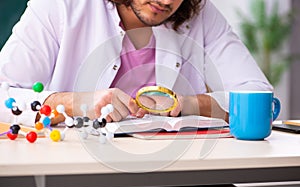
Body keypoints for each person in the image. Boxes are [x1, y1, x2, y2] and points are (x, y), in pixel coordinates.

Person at [0, 0, 272, 126]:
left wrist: (185, 104)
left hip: (174, 175)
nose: (166, 2)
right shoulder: (60, 6)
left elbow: (262, 99)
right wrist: (77, 102)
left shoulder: (200, 14)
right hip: (71, 174)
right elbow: (3, 94)